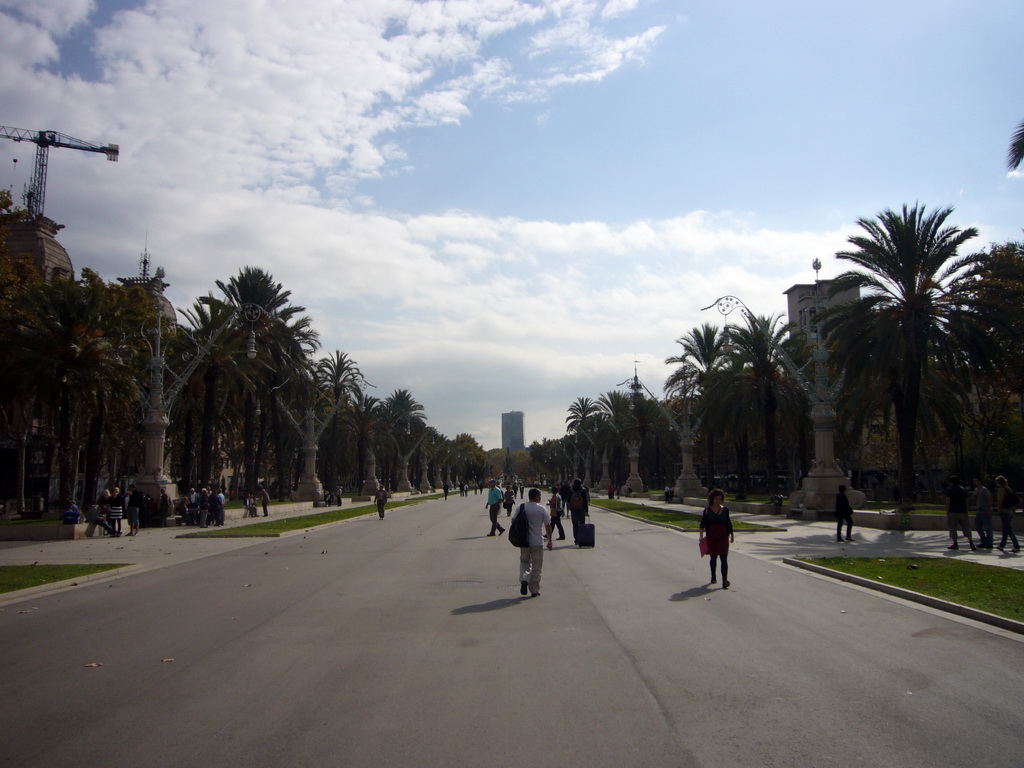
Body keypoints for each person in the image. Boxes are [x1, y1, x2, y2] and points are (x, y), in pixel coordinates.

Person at [512, 488, 553, 598]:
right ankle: (534, 590)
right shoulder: (541, 509)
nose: (540, 498)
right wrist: (549, 540)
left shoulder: (521, 507)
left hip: (524, 541)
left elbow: (513, 521)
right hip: (537, 542)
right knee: (536, 567)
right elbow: (548, 526)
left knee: (524, 562)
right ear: (535, 496)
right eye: (539, 496)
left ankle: (524, 579)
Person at [699, 488, 734, 588]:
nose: (718, 501)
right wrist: (701, 537)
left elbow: (728, 523)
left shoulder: (725, 510)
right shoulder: (707, 511)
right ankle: (713, 576)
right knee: (713, 557)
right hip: (712, 536)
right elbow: (703, 524)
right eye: (716, 499)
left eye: (719, 499)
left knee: (724, 558)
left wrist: (732, 535)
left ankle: (724, 580)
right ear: (712, 499)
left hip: (723, 536)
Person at [944, 476, 976, 551]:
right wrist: (966, 510)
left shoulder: (950, 490)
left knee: (953, 528)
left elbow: (948, 501)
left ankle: (955, 543)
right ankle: (971, 542)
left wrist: (947, 511)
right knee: (966, 528)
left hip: (953, 512)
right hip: (963, 512)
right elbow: (966, 501)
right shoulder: (963, 489)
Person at [994, 476, 1020, 552]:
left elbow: (1000, 500)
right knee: (1005, 528)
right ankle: (1002, 545)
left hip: (1004, 510)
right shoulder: (1009, 489)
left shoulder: (1001, 489)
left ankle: (1016, 545)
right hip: (1010, 511)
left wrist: (999, 508)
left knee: (1008, 529)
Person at [972, 477, 993, 549]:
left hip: (985, 510)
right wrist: (975, 495)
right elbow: (973, 499)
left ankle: (989, 543)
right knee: (977, 526)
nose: (974, 483)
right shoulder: (976, 490)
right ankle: (983, 540)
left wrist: (989, 509)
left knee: (988, 528)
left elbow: (989, 498)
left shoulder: (984, 490)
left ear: (979, 481)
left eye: (976, 481)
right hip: (979, 510)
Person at [568, 479, 589, 545]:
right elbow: (585, 501)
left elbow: (568, 500)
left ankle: (576, 538)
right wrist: (586, 511)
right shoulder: (583, 490)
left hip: (573, 509)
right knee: (582, 524)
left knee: (575, 524)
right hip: (581, 509)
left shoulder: (571, 490)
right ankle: (582, 537)